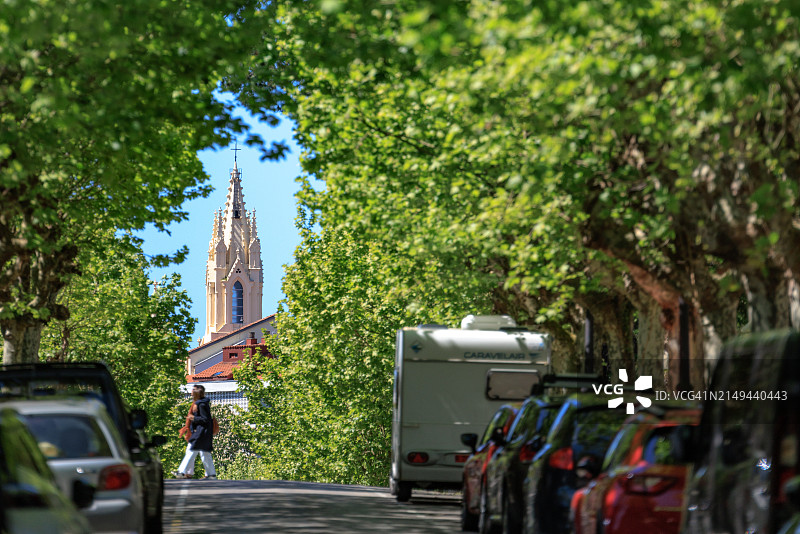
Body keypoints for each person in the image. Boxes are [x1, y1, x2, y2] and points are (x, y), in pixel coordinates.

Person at [173, 384, 216, 479]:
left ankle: (181, 472)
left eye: (193, 390)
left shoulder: (201, 404)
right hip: (203, 432)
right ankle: (211, 474)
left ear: (197, 393)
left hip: (201, 432)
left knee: (191, 451)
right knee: (205, 453)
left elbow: (206, 419)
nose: (191, 391)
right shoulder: (200, 403)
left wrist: (194, 418)